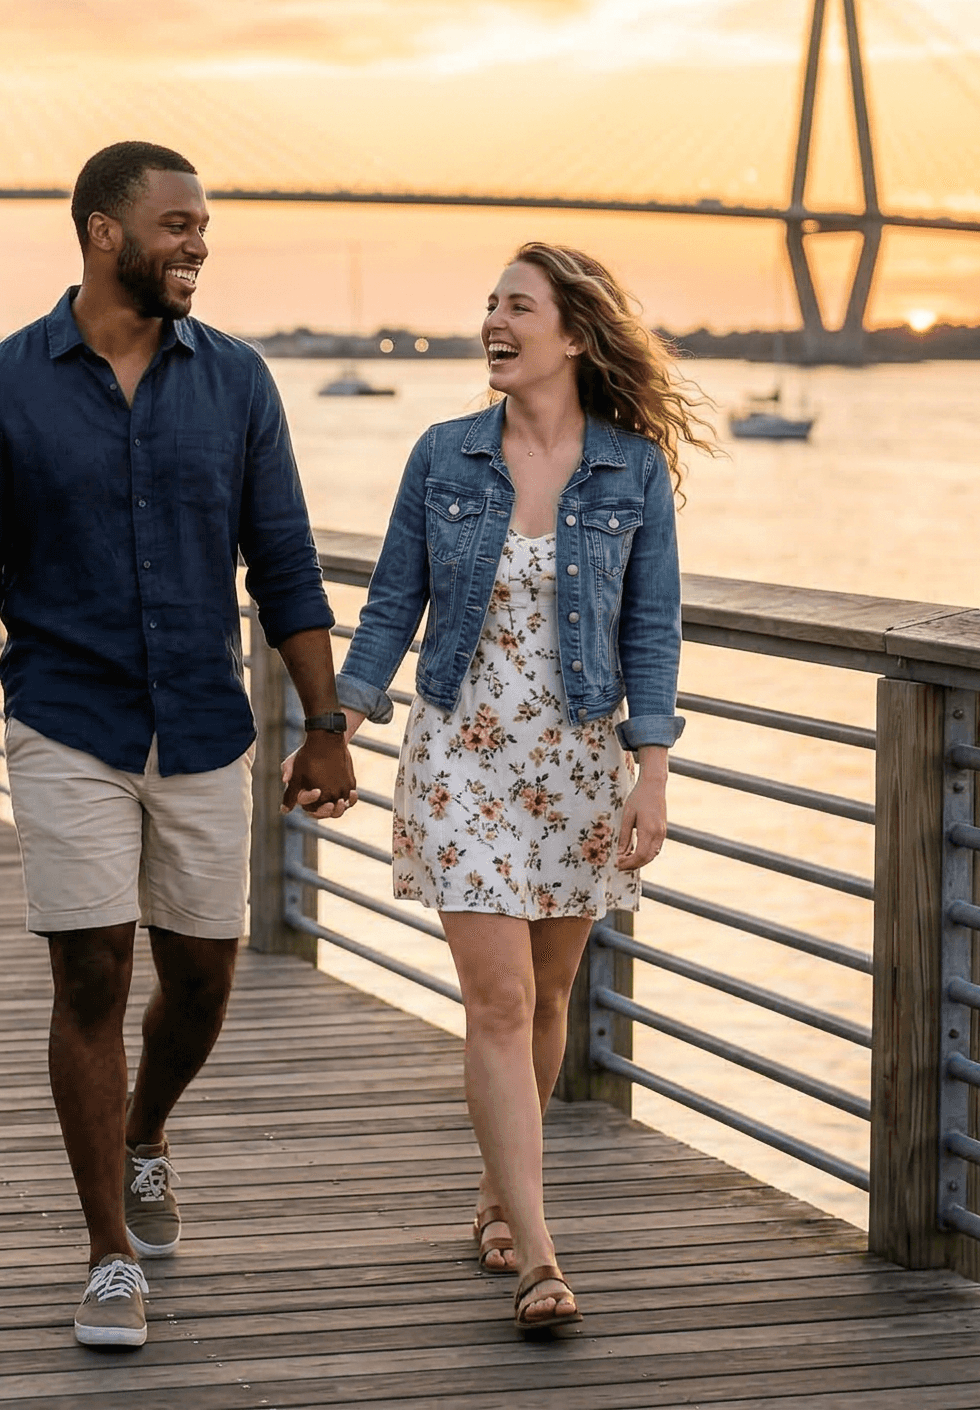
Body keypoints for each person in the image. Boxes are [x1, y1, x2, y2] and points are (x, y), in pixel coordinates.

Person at [0, 140, 357, 1352]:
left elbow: (282, 563)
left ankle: (147, 1129)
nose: (197, 245)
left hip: (207, 726)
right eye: (176, 225)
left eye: (203, 226)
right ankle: (109, 1251)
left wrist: (323, 725)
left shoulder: (237, 383)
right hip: (64, 720)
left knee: (206, 976)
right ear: (103, 233)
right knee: (92, 974)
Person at [313, 242, 705, 1337]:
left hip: (580, 763)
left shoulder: (628, 470)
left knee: (545, 995)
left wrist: (652, 772)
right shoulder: (443, 457)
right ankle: (538, 1253)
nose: (491, 319)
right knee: (494, 999)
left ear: (571, 335)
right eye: (487, 303)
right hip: (462, 755)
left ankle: (500, 1191)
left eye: (515, 306)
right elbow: (390, 605)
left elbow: (650, 629)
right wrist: (334, 722)